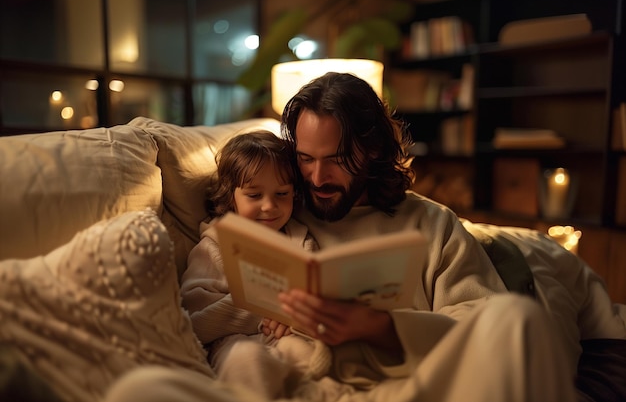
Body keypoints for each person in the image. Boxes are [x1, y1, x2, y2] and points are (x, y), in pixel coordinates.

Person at [104, 73, 625, 402]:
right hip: (300, 386)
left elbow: (477, 322)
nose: (316, 178)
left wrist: (379, 326)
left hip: (405, 389)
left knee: (516, 321)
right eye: (305, 159)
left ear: (373, 150)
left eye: (337, 161)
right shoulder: (279, 209)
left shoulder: (432, 224)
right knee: (142, 390)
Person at [179, 130, 332, 399]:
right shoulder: (214, 247)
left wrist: (295, 320)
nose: (270, 206)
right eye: (254, 195)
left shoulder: (303, 242)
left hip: (291, 338)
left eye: (282, 194)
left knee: (312, 361)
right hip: (235, 342)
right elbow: (194, 322)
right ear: (231, 196)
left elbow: (318, 303)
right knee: (247, 360)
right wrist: (262, 313)